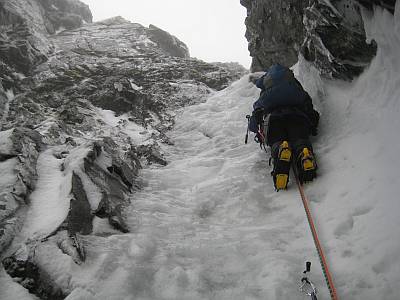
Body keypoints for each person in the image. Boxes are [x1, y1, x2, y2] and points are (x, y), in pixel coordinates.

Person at [248, 64, 320, 191]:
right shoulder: (294, 86)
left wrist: (255, 129)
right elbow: (308, 104)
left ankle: (281, 150)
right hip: (297, 116)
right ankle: (304, 153)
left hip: (273, 120)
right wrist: (313, 125)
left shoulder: (266, 92)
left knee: (277, 140)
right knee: (299, 139)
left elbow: (256, 114)